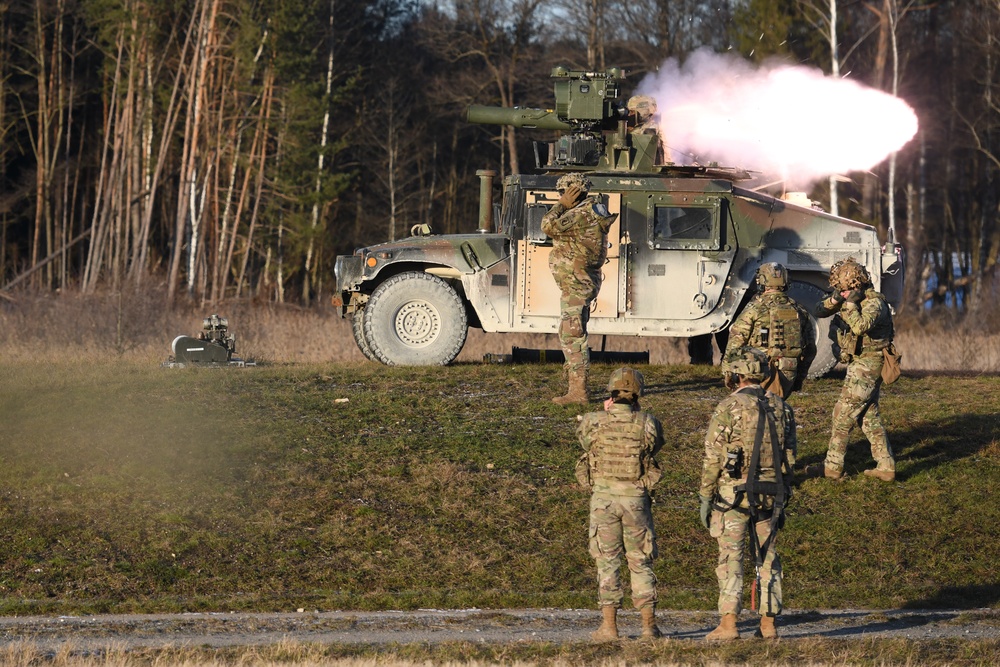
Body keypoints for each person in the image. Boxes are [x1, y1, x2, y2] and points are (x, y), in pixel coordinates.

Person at [698, 347, 795, 641]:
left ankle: (728, 625)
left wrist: (705, 495)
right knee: (768, 559)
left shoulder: (729, 407)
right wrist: (785, 491)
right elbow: (790, 456)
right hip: (771, 494)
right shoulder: (781, 407)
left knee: (731, 559)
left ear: (736, 374)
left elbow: (713, 456)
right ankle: (768, 626)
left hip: (733, 495)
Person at [575, 367, 665, 641]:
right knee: (640, 561)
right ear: (639, 395)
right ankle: (648, 627)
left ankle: (609, 627)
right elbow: (655, 446)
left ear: (611, 393)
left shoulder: (593, 421)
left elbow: (584, 442)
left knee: (607, 562)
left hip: (603, 501)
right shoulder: (648, 422)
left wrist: (605, 413)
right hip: (635, 500)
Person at [807, 258, 896, 481]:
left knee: (842, 414)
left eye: (844, 290)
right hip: (859, 363)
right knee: (868, 417)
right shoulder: (847, 296)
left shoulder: (874, 304)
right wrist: (835, 299)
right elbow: (818, 311)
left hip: (869, 364)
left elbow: (859, 326)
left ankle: (832, 467)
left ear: (856, 286)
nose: (842, 294)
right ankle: (886, 467)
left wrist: (849, 305)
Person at [541, 173, 616, 404]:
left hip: (576, 283)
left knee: (572, 335)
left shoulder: (580, 214)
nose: (561, 196)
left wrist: (560, 206)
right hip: (579, 281)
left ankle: (578, 391)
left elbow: (547, 225)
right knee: (571, 332)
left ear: (571, 192)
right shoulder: (593, 210)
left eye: (563, 192)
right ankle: (575, 386)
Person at [722, 262, 816, 398]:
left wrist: (728, 372)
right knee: (777, 412)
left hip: (758, 372)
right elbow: (810, 349)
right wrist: (799, 377)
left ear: (761, 281)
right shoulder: (799, 310)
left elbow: (735, 342)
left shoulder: (754, 309)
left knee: (756, 412)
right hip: (789, 371)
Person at [626, 95, 670, 164]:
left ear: (643, 111)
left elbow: (669, 155)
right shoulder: (644, 125)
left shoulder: (657, 127)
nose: (629, 115)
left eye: (632, 112)